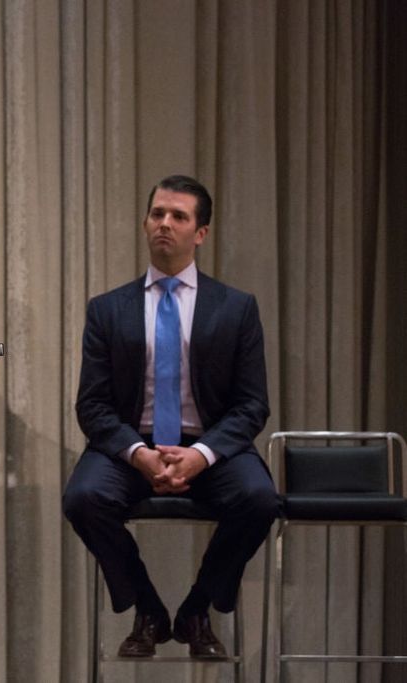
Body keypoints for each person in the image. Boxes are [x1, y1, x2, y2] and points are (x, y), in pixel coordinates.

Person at [62, 175, 280, 658]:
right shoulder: (107, 310)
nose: (165, 224)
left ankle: (197, 609)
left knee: (260, 498)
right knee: (82, 497)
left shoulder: (237, 308)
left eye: (179, 216)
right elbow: (91, 405)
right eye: (158, 213)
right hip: (129, 446)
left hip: (210, 448)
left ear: (200, 232)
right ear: (145, 223)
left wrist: (201, 456)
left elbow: (252, 404)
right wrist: (138, 454)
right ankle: (148, 609)